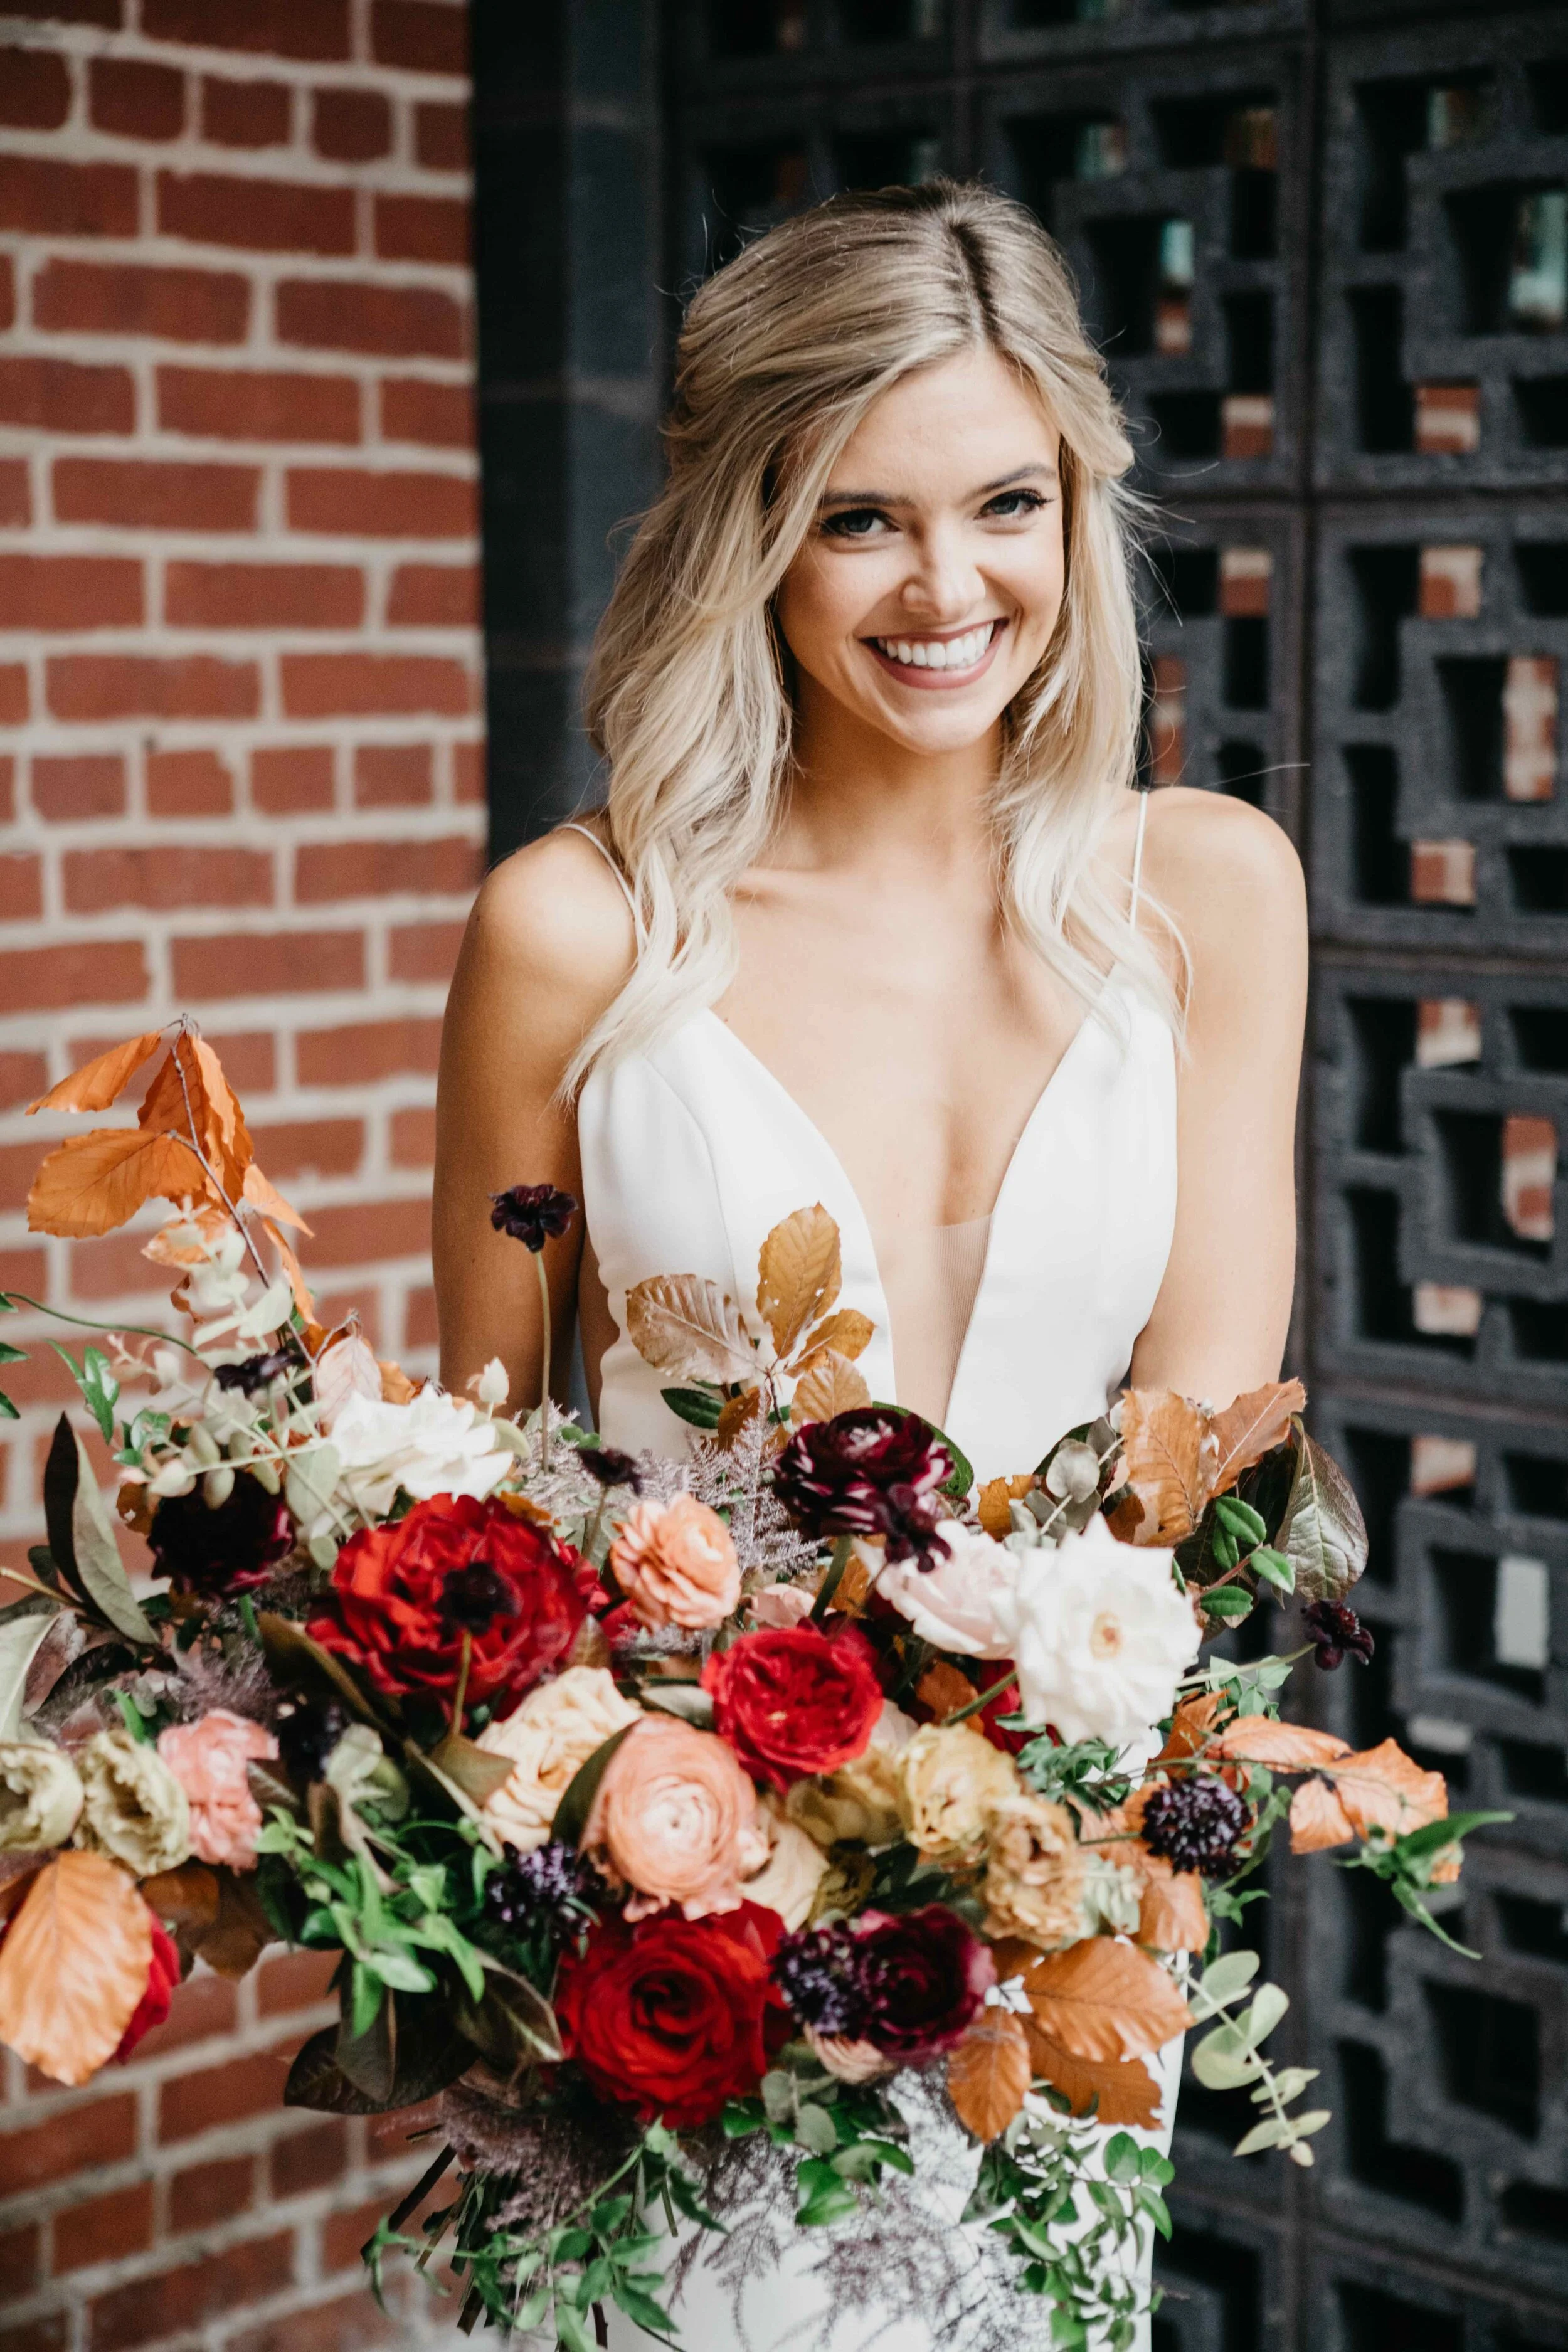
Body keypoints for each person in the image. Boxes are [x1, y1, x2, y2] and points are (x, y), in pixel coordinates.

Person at [434, 179, 1306, 2352]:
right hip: (656, 1947)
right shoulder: (581, 930)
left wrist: (1050, 1846)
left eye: (1006, 502)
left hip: (1046, 1947)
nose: (946, 588)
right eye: (858, 519)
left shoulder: (1206, 896)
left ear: (1078, 506)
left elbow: (1194, 1469)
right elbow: (477, 1507)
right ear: (751, 534)